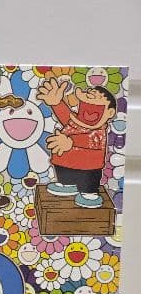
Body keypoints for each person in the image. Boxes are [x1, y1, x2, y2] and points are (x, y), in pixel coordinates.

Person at [37, 78, 116, 209]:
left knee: (88, 181)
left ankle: (89, 193)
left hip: (88, 169)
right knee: (64, 172)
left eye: (95, 107)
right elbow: (66, 116)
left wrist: (70, 144)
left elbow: (90, 143)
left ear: (110, 113)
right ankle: (66, 184)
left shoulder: (98, 132)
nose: (89, 111)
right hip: (65, 166)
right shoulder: (75, 123)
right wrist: (56, 103)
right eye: (86, 104)